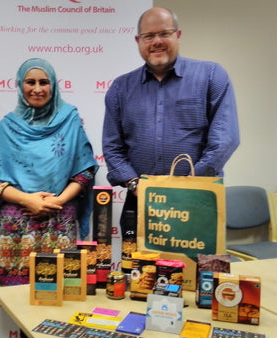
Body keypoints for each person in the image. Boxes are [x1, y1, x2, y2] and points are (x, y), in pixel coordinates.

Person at [0, 58, 98, 338]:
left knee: (62, 302)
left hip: (59, 224)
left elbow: (85, 171)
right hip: (18, 232)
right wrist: (28, 199)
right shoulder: (7, 127)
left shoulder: (70, 119)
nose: (37, 88)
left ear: (53, 86)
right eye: (30, 82)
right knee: (25, 307)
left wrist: (57, 200)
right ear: (20, 86)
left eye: (44, 82)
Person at [102, 7, 240, 232]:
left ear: (178, 35)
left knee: (197, 267)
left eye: (164, 33)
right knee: (139, 267)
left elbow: (225, 140)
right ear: (138, 40)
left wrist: (184, 184)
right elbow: (112, 148)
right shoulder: (120, 88)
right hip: (141, 203)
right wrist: (135, 185)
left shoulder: (212, 76)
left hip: (197, 200)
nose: (157, 41)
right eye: (149, 36)